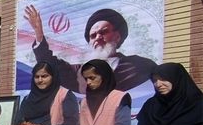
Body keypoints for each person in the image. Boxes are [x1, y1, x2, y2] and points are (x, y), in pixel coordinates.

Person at [24, 5, 157, 93]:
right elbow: (49, 64)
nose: (98, 38)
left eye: (103, 32)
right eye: (93, 36)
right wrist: (38, 34)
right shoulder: (78, 72)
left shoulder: (140, 65)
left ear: (117, 36)